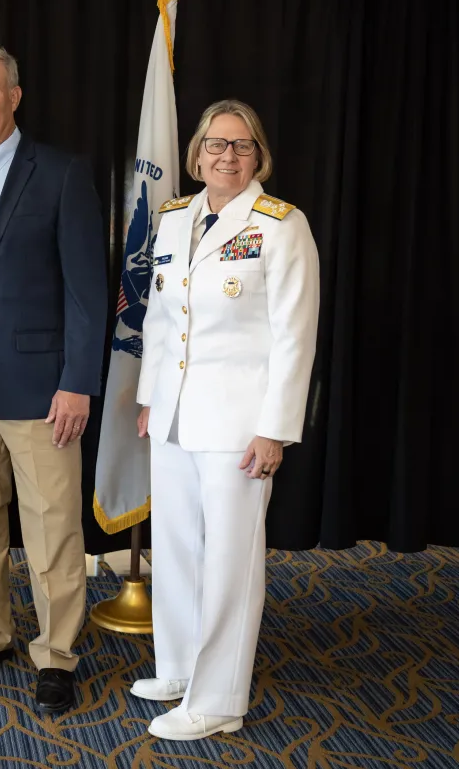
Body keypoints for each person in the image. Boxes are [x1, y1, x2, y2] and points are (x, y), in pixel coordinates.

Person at [132, 99, 320, 741]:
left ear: (258, 154)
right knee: (178, 548)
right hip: (177, 414)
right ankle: (182, 667)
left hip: (240, 424)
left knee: (232, 562)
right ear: (197, 153)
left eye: (241, 147)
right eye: (216, 145)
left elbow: (296, 338)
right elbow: (162, 316)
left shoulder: (280, 225)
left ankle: (218, 701)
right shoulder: (175, 217)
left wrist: (276, 429)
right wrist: (151, 397)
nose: (227, 157)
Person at [0, 45, 107, 714]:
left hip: (42, 387)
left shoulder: (60, 174)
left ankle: (58, 652)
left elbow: (87, 291)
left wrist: (78, 381)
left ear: (15, 96)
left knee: (52, 525)